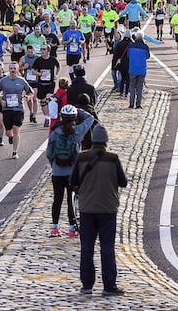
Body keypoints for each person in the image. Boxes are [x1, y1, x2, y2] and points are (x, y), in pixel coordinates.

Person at [71, 124, 128, 296]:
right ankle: (109, 285)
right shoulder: (113, 158)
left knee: (87, 247)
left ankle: (87, 285)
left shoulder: (82, 158)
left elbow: (73, 181)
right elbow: (123, 182)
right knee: (107, 247)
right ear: (106, 141)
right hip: (108, 208)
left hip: (87, 209)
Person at [45, 105, 95, 238]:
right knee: (71, 200)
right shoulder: (77, 132)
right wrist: (79, 110)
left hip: (57, 171)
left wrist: (54, 165)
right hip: (72, 172)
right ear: (74, 117)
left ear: (61, 117)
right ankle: (72, 228)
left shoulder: (55, 132)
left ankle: (55, 228)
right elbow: (90, 118)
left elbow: (49, 153)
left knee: (57, 199)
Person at [0, 62, 33, 160]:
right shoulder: (3, 81)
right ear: (9, 69)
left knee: (16, 129)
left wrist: (28, 97)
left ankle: (15, 151)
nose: (12, 70)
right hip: (7, 109)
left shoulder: (22, 81)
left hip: (19, 109)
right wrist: (1, 101)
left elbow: (30, 92)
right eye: (11, 68)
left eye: (14, 68)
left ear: (17, 70)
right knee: (8, 132)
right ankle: (10, 136)